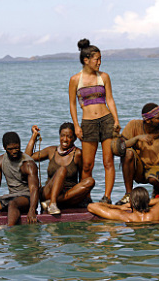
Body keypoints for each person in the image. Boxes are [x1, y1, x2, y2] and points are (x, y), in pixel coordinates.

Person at [68, 38, 120, 204]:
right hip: (88, 123)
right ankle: (86, 197)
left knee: (108, 161)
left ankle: (107, 197)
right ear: (86, 60)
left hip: (106, 120)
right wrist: (76, 125)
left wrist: (116, 120)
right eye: (96, 59)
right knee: (87, 165)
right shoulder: (75, 80)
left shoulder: (104, 77)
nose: (99, 62)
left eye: (100, 59)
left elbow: (110, 99)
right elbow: (72, 104)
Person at [24, 123, 95, 215]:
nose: (65, 139)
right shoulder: (51, 151)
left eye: (69, 137)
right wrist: (34, 136)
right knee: (62, 170)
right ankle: (53, 203)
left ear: (74, 138)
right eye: (62, 136)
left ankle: (54, 202)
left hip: (68, 194)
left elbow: (83, 176)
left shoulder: (77, 154)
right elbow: (27, 157)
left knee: (90, 181)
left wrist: (85, 197)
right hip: (49, 192)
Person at [115, 103, 159, 205]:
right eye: (158, 118)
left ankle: (157, 191)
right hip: (137, 169)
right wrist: (136, 138)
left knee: (155, 177)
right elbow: (119, 147)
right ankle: (128, 194)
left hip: (155, 171)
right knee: (128, 153)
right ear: (148, 120)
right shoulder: (133, 125)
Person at [87, 186, 159, 222]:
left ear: (131, 202)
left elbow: (91, 207)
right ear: (147, 201)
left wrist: (117, 207)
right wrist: (145, 202)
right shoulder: (154, 214)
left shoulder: (125, 216)